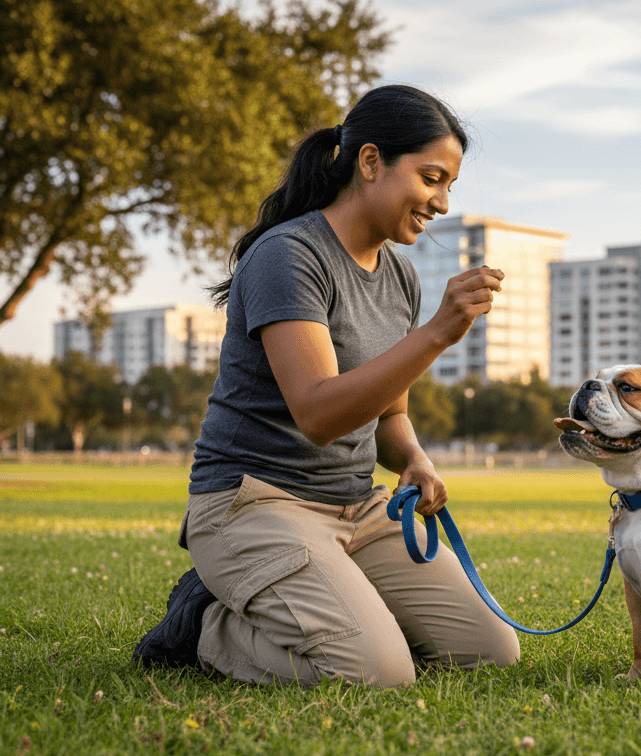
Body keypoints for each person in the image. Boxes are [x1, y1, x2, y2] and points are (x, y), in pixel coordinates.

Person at [132, 84, 520, 688]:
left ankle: (334, 608)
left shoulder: (400, 276)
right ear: (370, 162)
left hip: (357, 509)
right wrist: (437, 334)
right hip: (253, 505)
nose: (442, 203)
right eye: (431, 179)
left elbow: (389, 416)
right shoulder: (288, 256)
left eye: (449, 186)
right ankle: (205, 624)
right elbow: (317, 413)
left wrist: (414, 460)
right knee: (378, 673)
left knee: (491, 650)